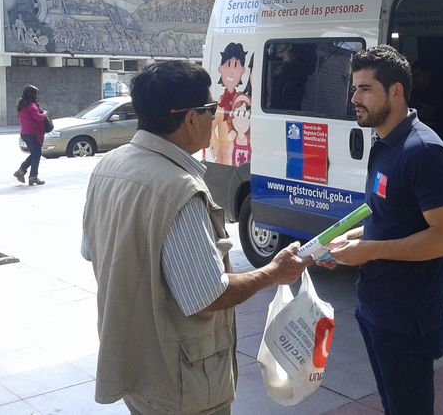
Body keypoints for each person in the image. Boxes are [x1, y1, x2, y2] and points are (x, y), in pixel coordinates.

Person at [81, 61, 308, 414]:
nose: (215, 118)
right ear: (189, 118)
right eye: (210, 110)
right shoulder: (177, 189)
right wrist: (274, 273)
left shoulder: (110, 165)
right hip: (180, 381)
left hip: (134, 363)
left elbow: (93, 251)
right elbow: (207, 295)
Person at [319, 45, 443, 414]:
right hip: (376, 308)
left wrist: (369, 251)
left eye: (365, 89)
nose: (354, 99)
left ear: (396, 92)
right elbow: (389, 218)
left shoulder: (424, 151)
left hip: (408, 319)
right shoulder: (384, 143)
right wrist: (350, 240)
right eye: (354, 89)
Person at [14, 84, 47, 186]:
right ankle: (33, 177)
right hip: (33, 133)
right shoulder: (32, 106)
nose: (37, 96)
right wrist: (44, 114)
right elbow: (38, 117)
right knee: (36, 155)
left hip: (25, 133)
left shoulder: (21, 105)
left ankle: (21, 171)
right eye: (36, 94)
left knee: (34, 154)